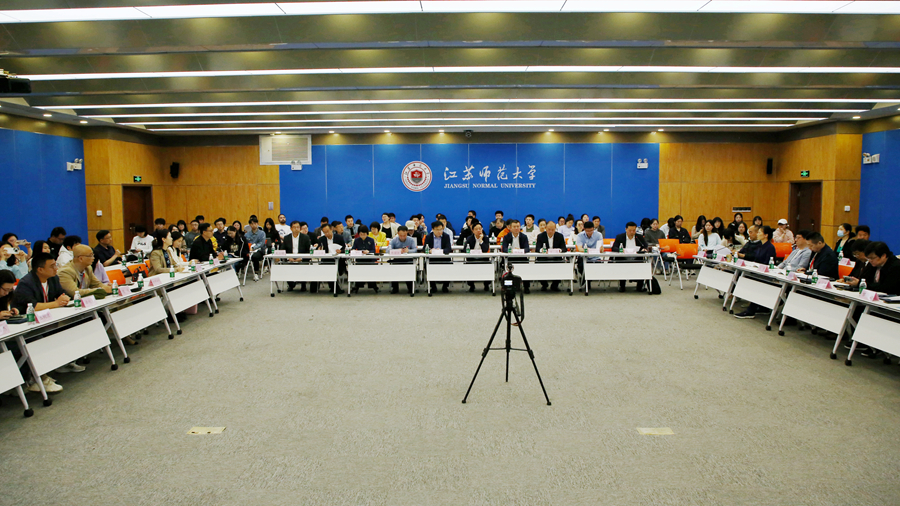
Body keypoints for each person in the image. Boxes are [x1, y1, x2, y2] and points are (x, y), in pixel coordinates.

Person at [2, 264, 71, 391]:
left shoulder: (5, 295)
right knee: (27, 344)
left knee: (37, 338)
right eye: (5, 289)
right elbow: (33, 305)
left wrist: (12, 312)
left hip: (8, 331)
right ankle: (34, 379)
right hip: (5, 337)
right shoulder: (26, 282)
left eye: (9, 290)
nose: (6, 293)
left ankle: (36, 377)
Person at [733, 226, 777, 319]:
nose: (758, 234)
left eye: (760, 232)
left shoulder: (770, 247)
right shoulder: (760, 246)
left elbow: (767, 263)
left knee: (754, 282)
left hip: (765, 274)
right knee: (744, 277)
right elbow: (756, 259)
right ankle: (759, 306)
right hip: (757, 271)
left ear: (766, 235)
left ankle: (751, 311)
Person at [612, 222, 650, 292]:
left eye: (634, 230)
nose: (632, 232)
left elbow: (645, 246)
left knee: (642, 265)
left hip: (636, 258)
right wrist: (621, 250)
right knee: (622, 265)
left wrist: (644, 249)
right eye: (630, 230)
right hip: (623, 258)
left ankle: (639, 287)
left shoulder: (639, 237)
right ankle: (622, 286)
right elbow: (614, 248)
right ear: (626, 229)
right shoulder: (620, 237)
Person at [281, 220, 313, 293]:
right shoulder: (287, 238)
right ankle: (291, 284)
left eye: (298, 227)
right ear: (291, 228)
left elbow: (308, 251)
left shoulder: (305, 237)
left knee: (303, 266)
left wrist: (301, 258)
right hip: (290, 259)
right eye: (294, 227)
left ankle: (303, 285)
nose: (296, 229)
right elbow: (282, 250)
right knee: (286, 266)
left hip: (302, 259)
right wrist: (288, 258)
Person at [460, 221, 491, 293]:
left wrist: (481, 241)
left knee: (489, 266)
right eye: (476, 229)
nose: (478, 230)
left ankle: (486, 284)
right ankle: (471, 285)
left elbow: (485, 250)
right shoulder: (469, 238)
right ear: (473, 230)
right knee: (468, 266)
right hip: (472, 259)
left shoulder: (486, 238)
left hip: (484, 259)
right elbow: (464, 249)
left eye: (480, 229)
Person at [501, 220, 531, 294]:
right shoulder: (506, 237)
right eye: (514, 227)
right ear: (510, 228)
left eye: (518, 226)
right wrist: (511, 250)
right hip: (510, 258)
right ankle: (509, 287)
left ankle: (526, 287)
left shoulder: (524, 237)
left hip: (522, 257)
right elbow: (504, 248)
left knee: (526, 269)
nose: (516, 228)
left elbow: (527, 249)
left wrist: (520, 250)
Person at [535, 220, 566, 292]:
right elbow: (537, 248)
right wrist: (542, 250)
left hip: (556, 257)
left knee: (560, 265)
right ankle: (544, 284)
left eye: (553, 229)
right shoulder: (540, 236)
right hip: (544, 258)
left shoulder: (560, 236)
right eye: (549, 229)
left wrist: (559, 250)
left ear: (555, 229)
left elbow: (564, 248)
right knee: (539, 265)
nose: (551, 231)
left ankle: (555, 285)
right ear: (545, 228)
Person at [425, 221, 453, 293]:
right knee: (427, 266)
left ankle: (445, 287)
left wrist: (441, 251)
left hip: (444, 258)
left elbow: (449, 248)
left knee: (449, 266)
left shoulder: (446, 236)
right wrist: (430, 250)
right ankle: (433, 287)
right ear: (433, 229)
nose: (440, 231)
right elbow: (424, 248)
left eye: (441, 229)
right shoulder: (429, 237)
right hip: (432, 258)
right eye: (437, 230)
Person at [389, 225, 418, 294]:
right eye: (401, 235)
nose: (402, 237)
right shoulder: (394, 240)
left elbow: (415, 249)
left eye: (404, 235)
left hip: (408, 259)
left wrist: (408, 251)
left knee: (409, 269)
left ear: (407, 233)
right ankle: (395, 288)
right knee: (394, 268)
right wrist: (397, 250)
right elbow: (388, 250)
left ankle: (410, 288)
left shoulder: (411, 240)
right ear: (398, 233)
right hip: (397, 259)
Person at [350, 225, 378, 294]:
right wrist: (354, 250)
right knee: (359, 270)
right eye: (361, 234)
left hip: (370, 259)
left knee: (371, 270)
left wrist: (368, 251)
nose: (362, 236)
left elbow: (373, 250)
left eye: (364, 234)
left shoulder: (371, 240)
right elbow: (353, 249)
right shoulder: (357, 240)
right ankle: (358, 285)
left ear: (367, 234)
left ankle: (373, 285)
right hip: (360, 259)